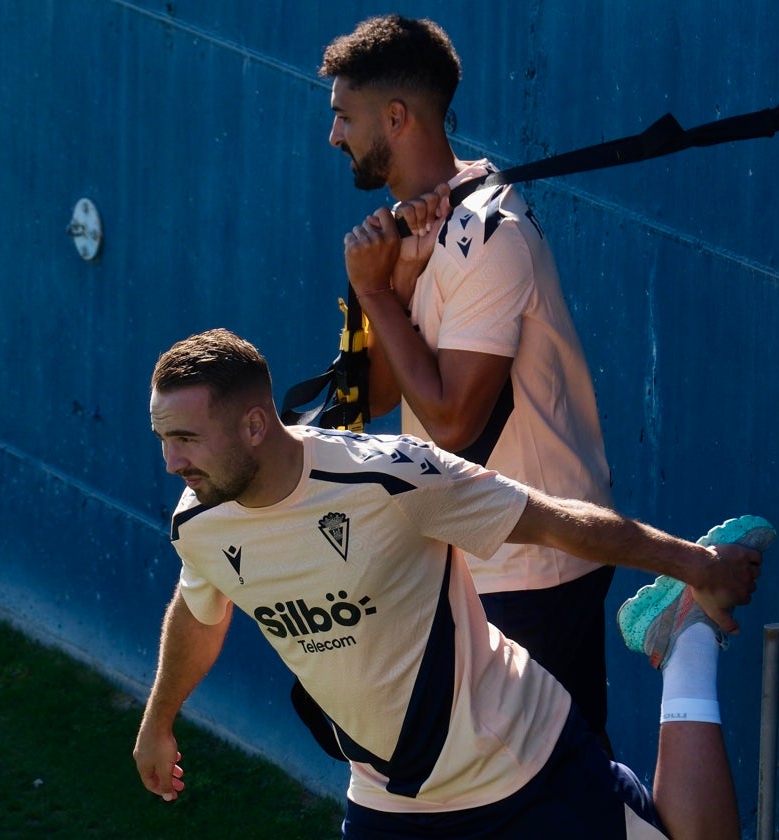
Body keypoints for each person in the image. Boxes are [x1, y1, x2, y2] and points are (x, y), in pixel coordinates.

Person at [133, 329, 775, 839]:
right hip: (391, 799)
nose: (171, 462)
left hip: (519, 763)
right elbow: (200, 609)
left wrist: (695, 563)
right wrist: (157, 720)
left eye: (186, 438)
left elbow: (556, 524)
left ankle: (686, 630)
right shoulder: (201, 521)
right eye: (163, 439)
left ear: (252, 426)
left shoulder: (389, 477)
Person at [319, 15, 618, 745]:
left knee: (556, 797)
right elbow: (386, 398)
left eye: (344, 116)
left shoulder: (490, 237)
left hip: (539, 563)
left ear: (398, 117)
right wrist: (386, 286)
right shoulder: (414, 229)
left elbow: (451, 420)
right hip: (475, 556)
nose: (334, 136)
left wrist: (381, 296)